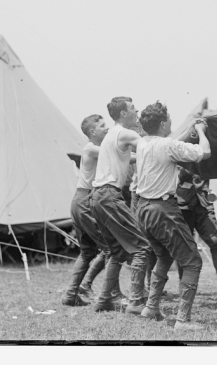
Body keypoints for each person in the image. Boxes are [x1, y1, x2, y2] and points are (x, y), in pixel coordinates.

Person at [134, 101, 212, 331]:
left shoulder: (142, 143)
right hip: (162, 209)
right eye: (168, 119)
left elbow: (172, 142)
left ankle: (150, 308)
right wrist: (199, 131)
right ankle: (182, 321)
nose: (171, 122)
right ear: (162, 123)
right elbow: (204, 152)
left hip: (143, 209)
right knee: (192, 261)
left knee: (164, 256)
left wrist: (188, 132)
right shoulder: (167, 145)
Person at [90, 97, 152, 315]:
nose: (136, 111)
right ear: (124, 114)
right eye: (133, 108)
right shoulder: (125, 133)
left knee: (117, 252)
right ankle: (136, 302)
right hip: (109, 195)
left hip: (98, 196)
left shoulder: (113, 135)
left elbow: (132, 157)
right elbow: (153, 148)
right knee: (142, 247)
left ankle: (104, 299)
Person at [62, 114, 111, 307]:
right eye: (102, 126)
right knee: (111, 248)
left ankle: (71, 294)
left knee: (87, 252)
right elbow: (116, 154)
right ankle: (107, 293)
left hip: (80, 200)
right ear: (92, 132)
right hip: (86, 201)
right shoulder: (92, 149)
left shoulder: (94, 149)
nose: (106, 128)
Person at [177, 170, 217, 296]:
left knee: (214, 241)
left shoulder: (206, 153)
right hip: (183, 205)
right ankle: (183, 283)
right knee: (184, 246)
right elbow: (180, 175)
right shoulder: (181, 153)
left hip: (203, 205)